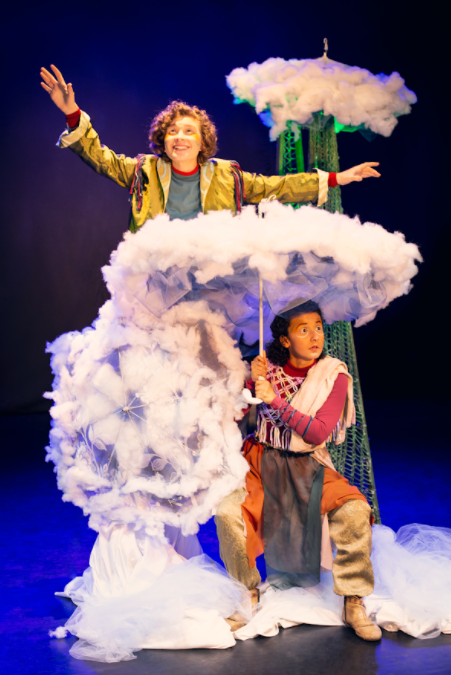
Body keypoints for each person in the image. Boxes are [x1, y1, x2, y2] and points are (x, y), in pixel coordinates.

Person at [215, 300, 382, 641]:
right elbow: (235, 415)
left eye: (318, 327)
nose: (316, 336)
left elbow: (317, 433)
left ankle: (353, 600)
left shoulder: (333, 375)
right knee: (227, 513)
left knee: (354, 511)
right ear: (285, 339)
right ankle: (247, 593)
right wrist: (249, 386)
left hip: (309, 465)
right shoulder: (266, 369)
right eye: (303, 330)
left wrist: (273, 399)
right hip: (259, 462)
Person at [40, 65, 381, 230]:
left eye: (189, 131)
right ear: (163, 140)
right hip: (155, 277)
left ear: (202, 142)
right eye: (172, 131)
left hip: (211, 279)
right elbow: (101, 158)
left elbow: (278, 186)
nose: (180, 136)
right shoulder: (144, 170)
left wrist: (336, 177)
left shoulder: (226, 176)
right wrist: (72, 113)